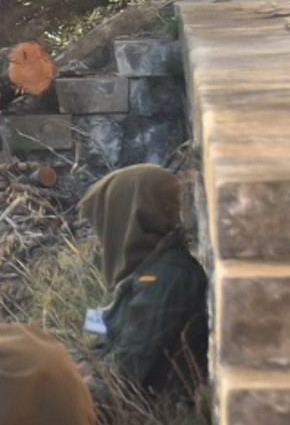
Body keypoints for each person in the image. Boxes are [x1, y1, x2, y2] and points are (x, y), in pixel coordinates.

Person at [77, 164, 209, 406]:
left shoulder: (167, 280)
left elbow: (126, 374)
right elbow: (104, 344)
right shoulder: (148, 272)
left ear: (128, 218)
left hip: (145, 417)